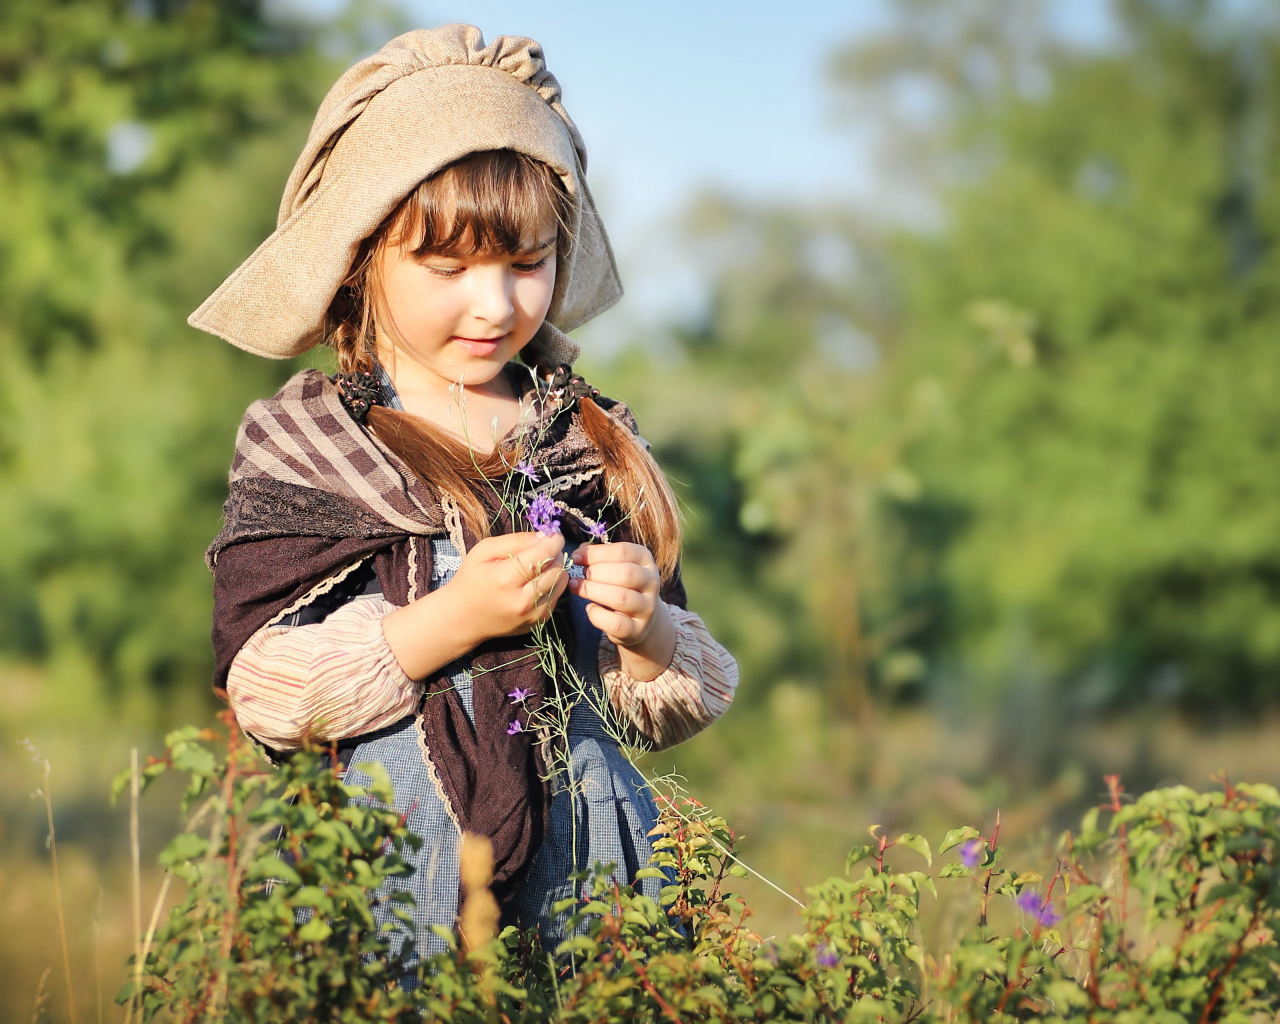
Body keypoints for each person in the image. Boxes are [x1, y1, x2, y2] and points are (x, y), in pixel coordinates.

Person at [193, 25, 738, 962]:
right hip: (390, 863)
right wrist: (452, 618)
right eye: (448, 268)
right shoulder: (309, 442)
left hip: (590, 867)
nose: (494, 305)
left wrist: (646, 629)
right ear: (363, 257)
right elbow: (265, 690)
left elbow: (667, 709)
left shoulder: (582, 436)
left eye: (526, 263)